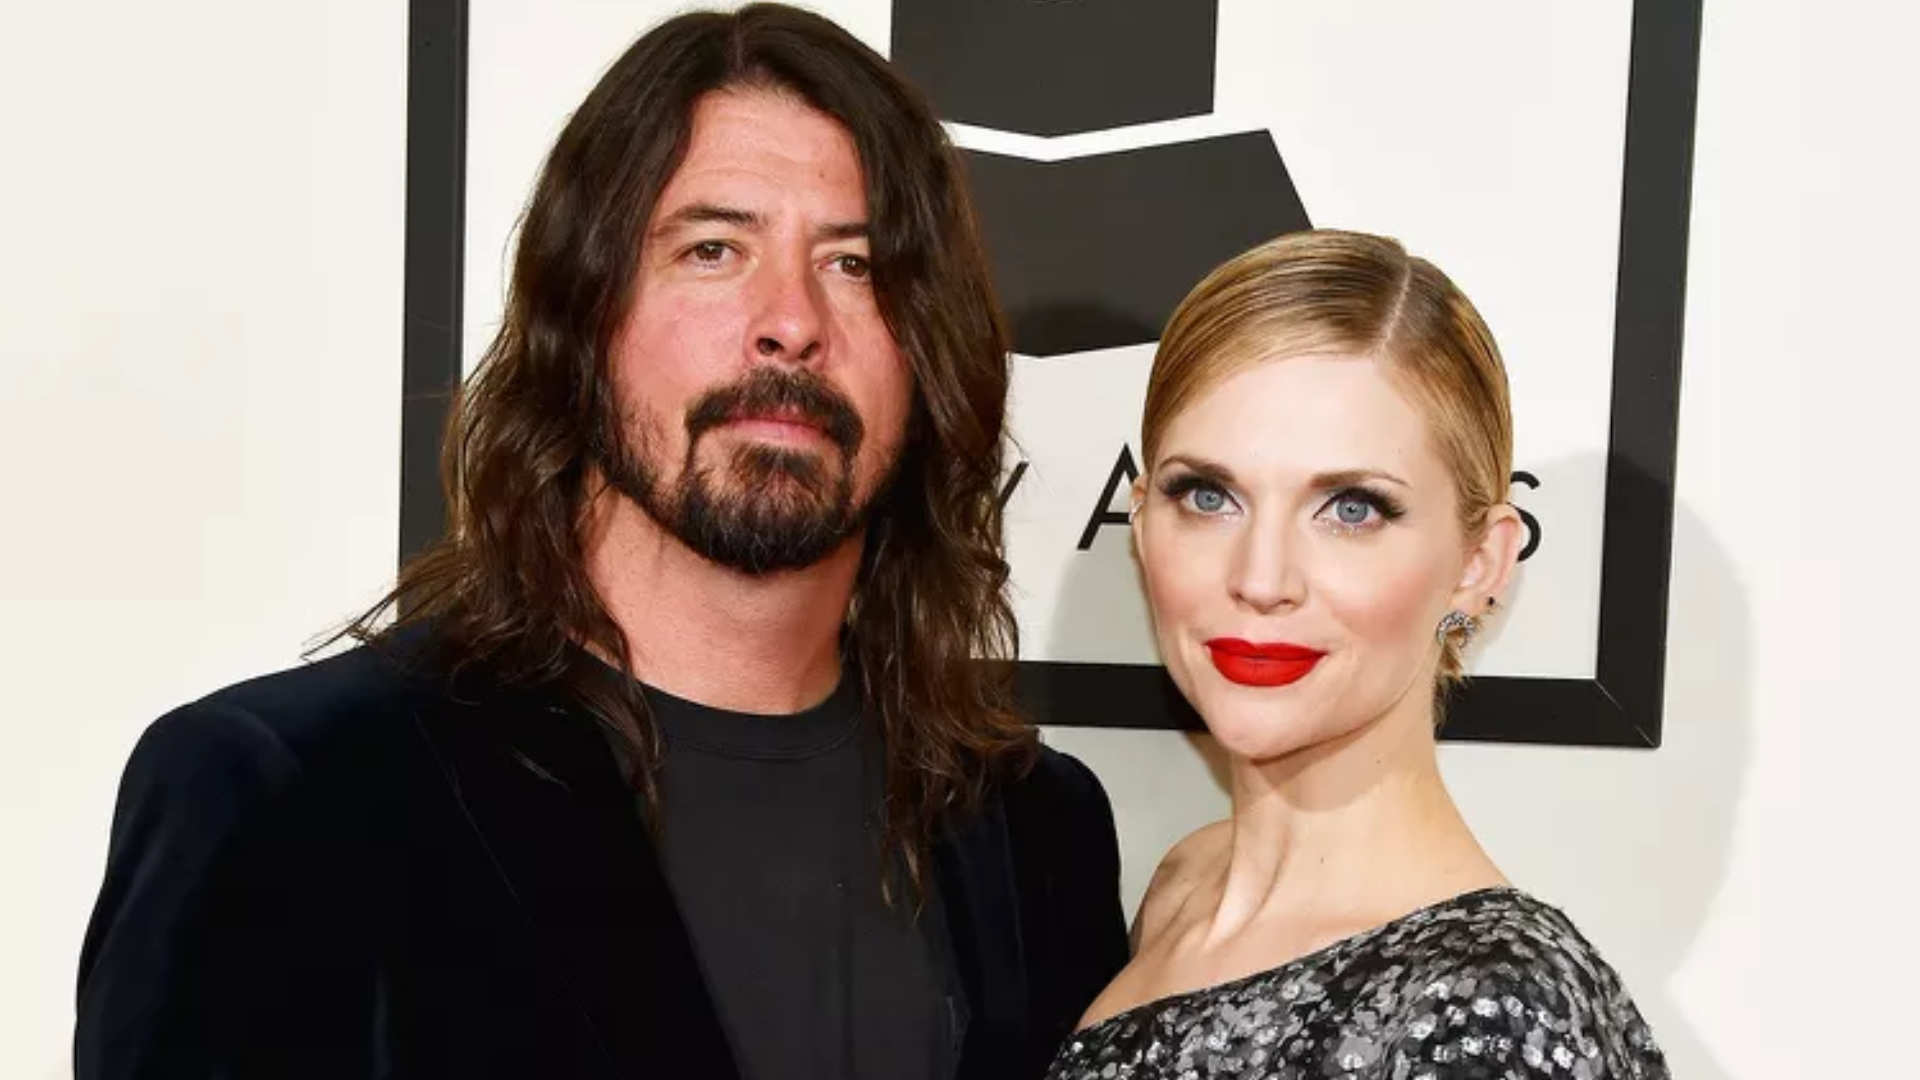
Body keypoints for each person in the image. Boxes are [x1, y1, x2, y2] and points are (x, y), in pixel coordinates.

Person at [73, 6, 1128, 1078]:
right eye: (714, 249)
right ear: (584, 319)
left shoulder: (1040, 834)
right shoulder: (295, 798)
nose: (792, 320)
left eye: (857, 265)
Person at [1046, 230, 1670, 1079]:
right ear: (1141, 519)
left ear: (1480, 562)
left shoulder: (1492, 1017)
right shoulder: (1184, 886)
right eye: (1208, 495)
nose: (1261, 579)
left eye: (1352, 509)